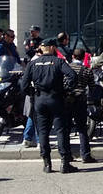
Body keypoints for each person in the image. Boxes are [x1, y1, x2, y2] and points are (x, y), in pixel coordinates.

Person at [20, 38, 78, 174]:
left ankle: (47, 164)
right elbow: (72, 76)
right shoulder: (58, 61)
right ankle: (64, 163)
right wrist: (67, 89)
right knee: (61, 131)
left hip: (40, 100)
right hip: (56, 98)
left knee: (43, 132)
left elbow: (24, 86)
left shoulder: (33, 63)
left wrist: (33, 94)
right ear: (52, 48)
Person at [67, 48, 97, 163]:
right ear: (84, 57)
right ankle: (85, 154)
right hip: (80, 100)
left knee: (66, 128)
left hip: (68, 100)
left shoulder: (66, 68)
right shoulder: (87, 70)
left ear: (73, 56)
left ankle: (67, 154)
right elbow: (92, 87)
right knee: (82, 128)